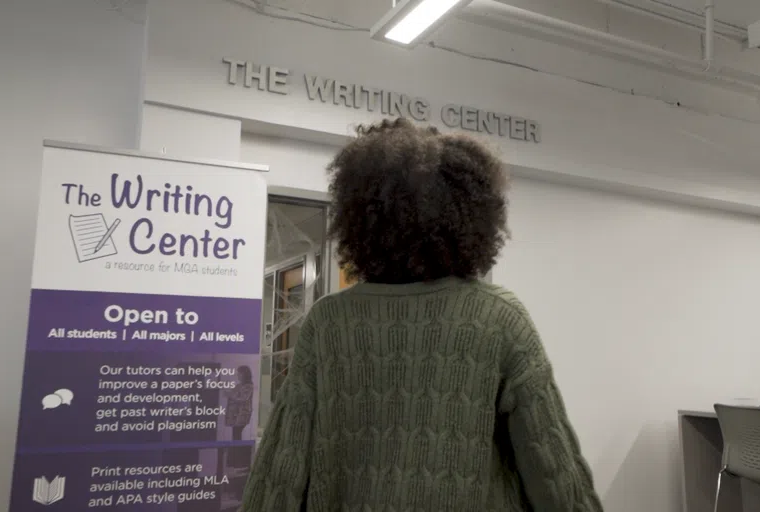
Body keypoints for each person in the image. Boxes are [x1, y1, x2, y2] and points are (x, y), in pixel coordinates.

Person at [242, 118, 603, 511]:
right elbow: (555, 476)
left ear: (361, 218)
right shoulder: (498, 318)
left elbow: (280, 475)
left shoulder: (329, 323)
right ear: (472, 218)